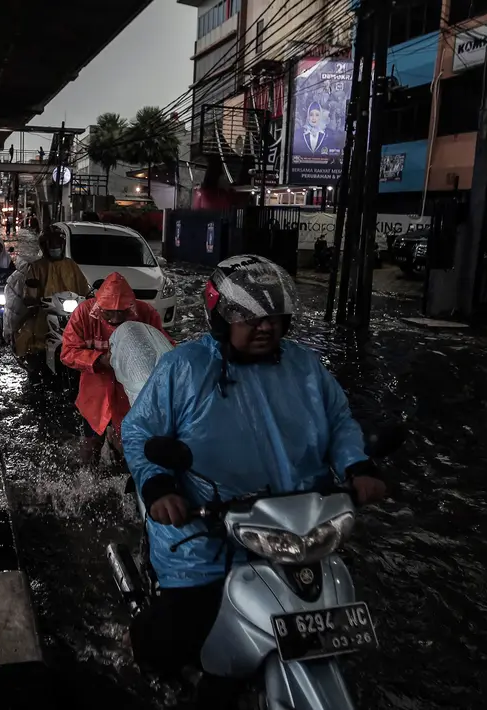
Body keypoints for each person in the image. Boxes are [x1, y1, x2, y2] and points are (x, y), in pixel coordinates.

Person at [120, 255, 388, 707]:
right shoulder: (184, 369)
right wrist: (160, 487)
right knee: (164, 644)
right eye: (249, 317)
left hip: (297, 523)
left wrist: (357, 467)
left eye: (274, 317)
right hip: (208, 533)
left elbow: (340, 421)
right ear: (222, 318)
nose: (264, 327)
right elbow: (141, 432)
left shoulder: (305, 367)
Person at [60, 273, 171, 462]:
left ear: (131, 306)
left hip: (129, 395)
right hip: (95, 393)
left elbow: (164, 347)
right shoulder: (83, 313)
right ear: (98, 304)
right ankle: (89, 481)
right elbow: (68, 352)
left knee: (130, 447)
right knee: (90, 445)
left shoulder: (146, 313)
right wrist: (99, 359)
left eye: (121, 312)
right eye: (108, 312)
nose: (114, 317)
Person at [3, 226, 91, 369]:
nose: (55, 247)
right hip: (43, 313)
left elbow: (83, 288)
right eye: (52, 244)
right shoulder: (37, 267)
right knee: (29, 338)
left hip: (70, 314)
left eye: (58, 243)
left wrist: (89, 297)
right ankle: (32, 366)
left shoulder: (71, 265)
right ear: (44, 246)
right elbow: (30, 292)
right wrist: (34, 300)